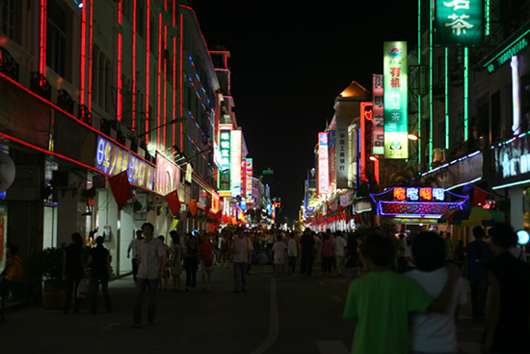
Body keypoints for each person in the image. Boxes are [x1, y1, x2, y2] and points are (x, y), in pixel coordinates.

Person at [343, 234, 460, 354]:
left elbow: (353, 317)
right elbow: (439, 306)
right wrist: (452, 277)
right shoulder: (405, 283)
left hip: (364, 348)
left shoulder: (357, 285)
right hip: (396, 348)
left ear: (364, 258)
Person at [404, 232, 467, 354]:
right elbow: (454, 316)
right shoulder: (454, 277)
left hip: (418, 344)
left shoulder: (408, 280)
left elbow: (406, 319)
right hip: (447, 345)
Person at [481, 223, 530, 354]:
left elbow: (495, 302)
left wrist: (489, 336)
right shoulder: (523, 267)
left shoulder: (495, 266)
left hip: (502, 325)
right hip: (521, 324)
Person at [132, 222, 166, 328]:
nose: (146, 231)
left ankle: (151, 318)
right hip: (142, 274)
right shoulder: (140, 243)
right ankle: (137, 320)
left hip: (153, 274)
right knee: (137, 297)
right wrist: (138, 270)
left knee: (152, 298)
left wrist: (160, 269)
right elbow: (140, 258)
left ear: (151, 230)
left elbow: (161, 256)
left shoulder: (157, 243)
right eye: (145, 229)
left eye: (148, 229)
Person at [465, 226, 494, 321]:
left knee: (474, 293)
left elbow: (467, 260)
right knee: (483, 294)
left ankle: (475, 312)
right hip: (484, 273)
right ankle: (481, 312)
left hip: (473, 271)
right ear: (483, 234)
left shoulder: (469, 246)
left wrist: (466, 271)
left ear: (473, 234)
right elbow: (491, 258)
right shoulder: (487, 246)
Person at [86, 236, 113, 314]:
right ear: (103, 242)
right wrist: (110, 274)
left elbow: (89, 260)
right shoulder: (105, 251)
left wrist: (85, 266)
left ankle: (93, 309)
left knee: (94, 291)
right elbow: (108, 263)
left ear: (96, 242)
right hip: (103, 272)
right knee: (105, 290)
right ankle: (108, 308)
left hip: (94, 272)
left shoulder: (92, 251)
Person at [63, 232, 85, 315]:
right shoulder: (80, 249)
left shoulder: (67, 249)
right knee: (77, 291)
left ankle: (66, 307)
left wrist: (63, 270)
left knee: (68, 290)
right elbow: (81, 261)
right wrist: (84, 271)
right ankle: (76, 308)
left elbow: (64, 261)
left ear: (72, 239)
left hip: (69, 271)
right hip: (78, 271)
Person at [232, 227, 253, 293]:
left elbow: (250, 250)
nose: (239, 233)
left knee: (244, 275)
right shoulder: (235, 240)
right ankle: (237, 288)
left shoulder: (247, 240)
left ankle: (243, 287)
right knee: (236, 275)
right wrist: (233, 252)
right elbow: (232, 248)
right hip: (236, 260)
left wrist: (249, 258)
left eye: (240, 232)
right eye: (238, 232)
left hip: (244, 260)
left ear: (242, 232)